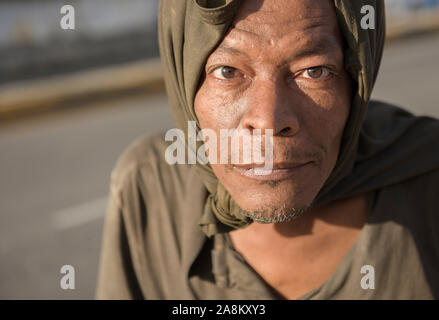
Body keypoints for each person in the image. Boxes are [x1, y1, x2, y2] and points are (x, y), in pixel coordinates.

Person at [95, 0, 439, 299]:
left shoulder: (428, 182)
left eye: (314, 71)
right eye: (227, 71)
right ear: (183, 74)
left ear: (357, 76)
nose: (269, 120)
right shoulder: (150, 188)